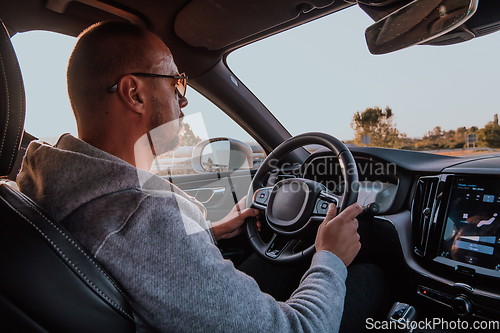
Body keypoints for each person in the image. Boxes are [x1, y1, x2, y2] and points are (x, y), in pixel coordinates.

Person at [17, 21, 384, 332]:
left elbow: (146, 260)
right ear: (135, 93)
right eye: (176, 83)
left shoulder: (50, 184)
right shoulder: (143, 217)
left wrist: (210, 232)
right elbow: (299, 328)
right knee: (370, 277)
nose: (184, 101)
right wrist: (331, 258)